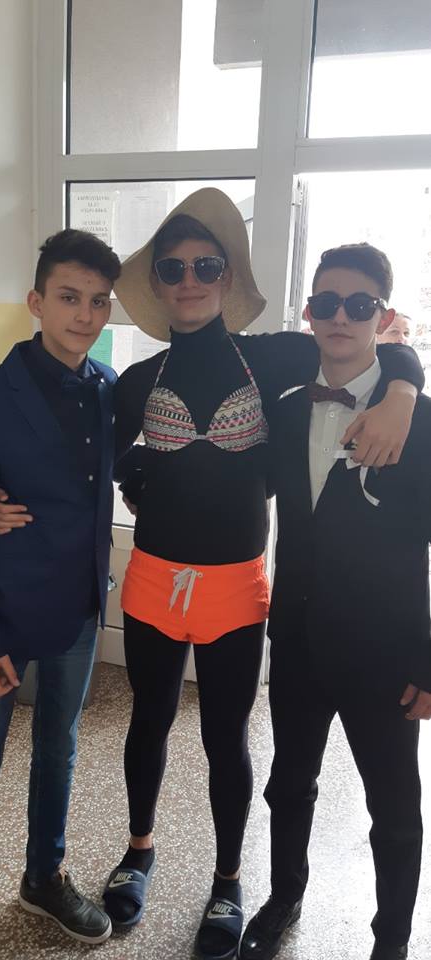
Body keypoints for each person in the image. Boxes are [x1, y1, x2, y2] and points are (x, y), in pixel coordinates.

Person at [98, 189, 422, 960]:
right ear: (158, 283)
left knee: (226, 739)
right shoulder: (138, 380)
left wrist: (405, 392)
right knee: (147, 721)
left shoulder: (276, 356)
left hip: (237, 588)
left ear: (227, 274)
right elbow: (94, 450)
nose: (189, 279)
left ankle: (229, 880)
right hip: (154, 580)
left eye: (205, 265)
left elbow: (379, 345)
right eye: (173, 268)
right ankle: (139, 850)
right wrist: (133, 471)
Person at [239, 243, 431, 960]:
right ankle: (283, 897)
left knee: (394, 808)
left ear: (382, 315)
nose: (341, 317)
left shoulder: (420, 422)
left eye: (358, 304)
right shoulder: (288, 411)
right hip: (296, 642)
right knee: (289, 785)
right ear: (310, 312)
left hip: (388, 656)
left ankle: (391, 940)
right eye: (327, 303)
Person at [0, 229, 121, 957]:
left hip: (78, 611)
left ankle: (43, 876)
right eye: (68, 297)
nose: (84, 315)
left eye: (98, 301)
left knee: (58, 749)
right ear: (35, 302)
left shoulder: (107, 389)